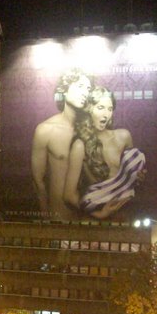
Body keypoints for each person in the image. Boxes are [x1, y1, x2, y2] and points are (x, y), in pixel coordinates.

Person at [63, 86, 146, 219]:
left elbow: (132, 179)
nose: (106, 114)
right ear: (89, 109)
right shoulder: (80, 145)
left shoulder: (124, 136)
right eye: (100, 108)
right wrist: (100, 214)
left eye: (110, 108)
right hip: (98, 221)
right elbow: (68, 195)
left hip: (128, 214)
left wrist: (138, 177)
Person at [31, 69, 92, 218]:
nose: (85, 92)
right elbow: (38, 182)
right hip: (59, 221)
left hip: (93, 224)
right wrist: (46, 223)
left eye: (88, 89)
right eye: (80, 86)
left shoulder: (94, 131)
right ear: (64, 90)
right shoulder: (45, 130)